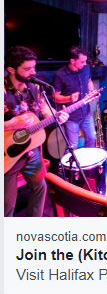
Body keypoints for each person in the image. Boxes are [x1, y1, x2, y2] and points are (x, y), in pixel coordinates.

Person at [4, 46, 68, 217]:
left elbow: (43, 108)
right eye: (27, 68)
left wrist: (56, 116)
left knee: (40, 187)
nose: (33, 72)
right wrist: (9, 124)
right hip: (7, 153)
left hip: (30, 150)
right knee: (7, 204)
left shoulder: (34, 86)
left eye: (34, 67)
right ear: (11, 69)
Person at [53, 46, 96, 150]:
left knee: (92, 138)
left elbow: (89, 81)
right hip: (71, 116)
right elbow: (55, 97)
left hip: (86, 112)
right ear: (72, 61)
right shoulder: (60, 74)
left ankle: (87, 163)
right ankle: (70, 166)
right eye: (82, 62)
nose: (85, 64)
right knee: (73, 146)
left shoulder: (85, 68)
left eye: (85, 61)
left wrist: (92, 91)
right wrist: (69, 98)